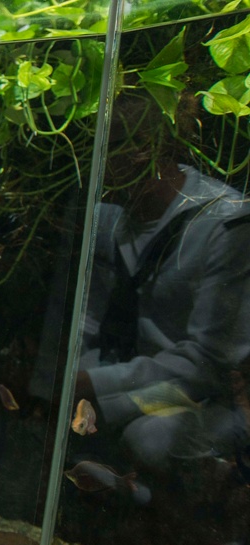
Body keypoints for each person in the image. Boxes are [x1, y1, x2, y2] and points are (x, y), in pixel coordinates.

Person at [72, 92, 250, 508]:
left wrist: (93, 388)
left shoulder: (228, 223)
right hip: (134, 373)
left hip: (205, 394)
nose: (90, 164)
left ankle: (207, 506)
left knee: (149, 437)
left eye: (103, 149)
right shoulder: (107, 216)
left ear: (142, 152)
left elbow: (210, 363)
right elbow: (88, 322)